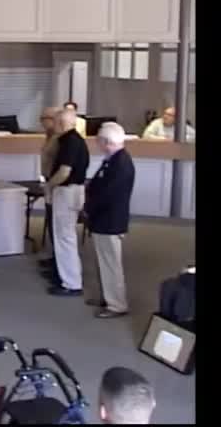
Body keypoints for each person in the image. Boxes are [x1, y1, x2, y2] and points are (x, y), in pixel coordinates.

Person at [85, 122, 135, 319]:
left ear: (106, 142)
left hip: (110, 221)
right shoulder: (113, 160)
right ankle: (107, 297)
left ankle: (117, 305)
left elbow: (107, 195)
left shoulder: (120, 164)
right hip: (104, 219)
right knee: (104, 262)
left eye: (98, 140)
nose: (97, 144)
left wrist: (88, 208)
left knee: (111, 264)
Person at [46, 109, 89, 296]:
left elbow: (64, 172)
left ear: (61, 123)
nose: (51, 125)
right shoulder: (76, 139)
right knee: (67, 237)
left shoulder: (69, 142)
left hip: (67, 192)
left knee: (64, 238)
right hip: (75, 191)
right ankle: (71, 278)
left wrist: (49, 185)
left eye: (54, 122)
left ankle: (71, 283)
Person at [38, 107, 62, 275]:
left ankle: (60, 262)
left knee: (56, 224)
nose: (42, 122)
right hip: (48, 182)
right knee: (51, 221)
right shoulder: (49, 136)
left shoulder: (60, 139)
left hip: (56, 184)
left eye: (44, 119)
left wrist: (51, 184)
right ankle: (55, 257)